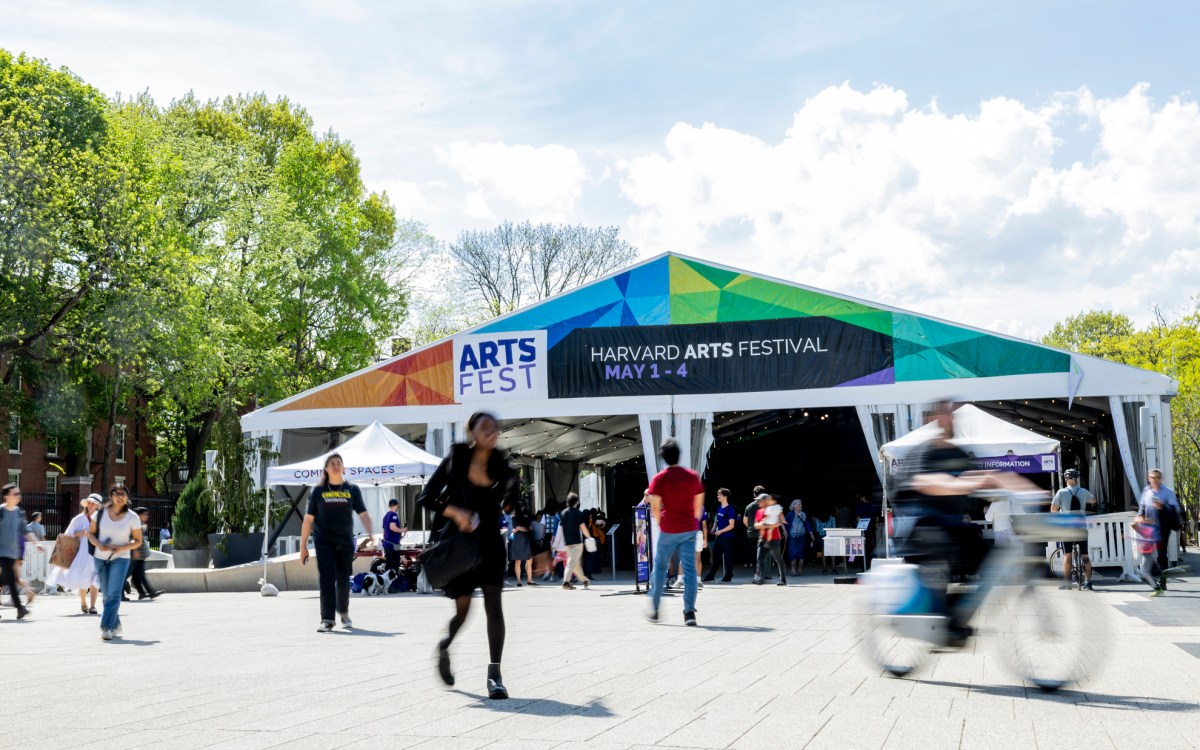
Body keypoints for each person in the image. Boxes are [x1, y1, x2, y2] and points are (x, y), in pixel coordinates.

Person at [417, 411, 518, 700]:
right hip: (461, 545)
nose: (492, 431)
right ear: (472, 431)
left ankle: (495, 675)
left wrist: (510, 504)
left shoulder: (501, 464)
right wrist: (455, 512)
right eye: (485, 427)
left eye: (495, 427)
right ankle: (445, 646)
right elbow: (425, 497)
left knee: (494, 606)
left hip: (490, 544)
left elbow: (512, 499)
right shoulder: (457, 459)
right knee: (463, 612)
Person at [298, 453, 374, 633]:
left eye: (339, 463)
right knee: (326, 579)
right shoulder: (318, 491)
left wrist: (371, 534)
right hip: (324, 541)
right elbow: (308, 520)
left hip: (345, 542)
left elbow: (363, 514)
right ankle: (327, 619)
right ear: (326, 469)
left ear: (343, 468)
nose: (336, 466)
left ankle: (344, 612)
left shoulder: (352, 490)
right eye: (332, 464)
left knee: (342, 580)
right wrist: (302, 547)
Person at [645, 439, 704, 626]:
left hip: (668, 528)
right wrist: (693, 522)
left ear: (663, 458)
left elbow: (654, 507)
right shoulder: (692, 476)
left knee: (660, 567)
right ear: (680, 454)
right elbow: (698, 505)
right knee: (689, 570)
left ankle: (655, 607)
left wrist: (663, 524)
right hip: (688, 529)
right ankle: (689, 613)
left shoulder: (659, 479)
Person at [87, 485, 144, 640]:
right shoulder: (100, 514)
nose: (119, 496)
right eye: (116, 493)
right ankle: (116, 624)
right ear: (110, 496)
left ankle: (106, 627)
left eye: (123, 494)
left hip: (121, 558)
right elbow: (90, 534)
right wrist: (99, 545)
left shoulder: (133, 517)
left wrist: (123, 547)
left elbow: (138, 540)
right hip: (100, 558)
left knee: (113, 593)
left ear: (127, 497)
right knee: (106, 595)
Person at [47, 495, 100, 614]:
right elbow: (68, 535)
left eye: (93, 503)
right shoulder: (78, 519)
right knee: (82, 577)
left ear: (98, 506)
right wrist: (80, 533)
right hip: (81, 552)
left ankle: (93, 606)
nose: (91, 505)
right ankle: (83, 602)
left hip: (97, 552)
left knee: (95, 579)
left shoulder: (101, 519)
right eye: (89, 503)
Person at [1050, 468, 1095, 589]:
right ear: (1076, 479)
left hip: (1067, 529)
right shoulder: (1083, 491)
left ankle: (1067, 583)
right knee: (1085, 555)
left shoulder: (1061, 492)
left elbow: (1053, 509)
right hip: (1081, 528)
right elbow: (1093, 500)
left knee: (1067, 555)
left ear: (1066, 479)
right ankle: (1088, 581)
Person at [1139, 468, 1182, 589]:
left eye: (1158, 477)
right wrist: (1139, 515)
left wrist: (1162, 506)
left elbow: (1176, 509)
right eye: (1153, 477)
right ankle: (1156, 571)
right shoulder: (1146, 491)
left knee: (1162, 554)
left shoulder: (1168, 492)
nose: (1155, 480)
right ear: (1149, 478)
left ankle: (1163, 581)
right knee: (1146, 552)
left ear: (1161, 478)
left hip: (1163, 526)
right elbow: (1142, 505)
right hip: (1148, 525)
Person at [0, 483, 33, 620]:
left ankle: (20, 609)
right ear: (7, 497)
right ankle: (20, 608)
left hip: (12, 552)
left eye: (19, 493)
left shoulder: (19, 511)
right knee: (12, 580)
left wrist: (36, 543)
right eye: (15, 494)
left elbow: (24, 530)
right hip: (1, 552)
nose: (18, 496)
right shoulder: (1, 511)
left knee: (7, 580)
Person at [127, 507, 162, 601]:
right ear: (139, 515)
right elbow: (131, 538)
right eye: (145, 514)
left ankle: (144, 593)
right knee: (128, 575)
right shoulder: (135, 525)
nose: (147, 516)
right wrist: (135, 550)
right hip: (136, 554)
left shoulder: (142, 525)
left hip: (140, 555)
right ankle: (149, 592)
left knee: (137, 575)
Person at [704, 488, 737, 582]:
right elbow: (717, 520)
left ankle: (728, 576)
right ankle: (711, 575)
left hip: (727, 538)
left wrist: (721, 531)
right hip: (719, 537)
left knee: (728, 557)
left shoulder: (730, 509)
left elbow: (732, 525)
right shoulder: (719, 508)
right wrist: (714, 528)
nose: (717, 496)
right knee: (715, 557)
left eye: (719, 495)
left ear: (725, 496)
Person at [560, 493, 592, 590]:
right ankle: (566, 582)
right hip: (577, 542)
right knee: (572, 562)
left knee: (575, 563)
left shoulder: (563, 513)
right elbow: (582, 527)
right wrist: (589, 537)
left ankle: (584, 580)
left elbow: (561, 528)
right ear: (576, 502)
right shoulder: (578, 513)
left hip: (568, 543)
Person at [754, 494, 787, 586]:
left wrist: (767, 525)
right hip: (763, 539)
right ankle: (762, 577)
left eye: (759, 500)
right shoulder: (759, 511)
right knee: (760, 558)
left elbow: (780, 522)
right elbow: (756, 525)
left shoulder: (773, 509)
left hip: (775, 538)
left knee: (778, 559)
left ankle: (783, 580)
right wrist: (768, 525)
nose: (758, 502)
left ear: (765, 501)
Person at [1130, 514, 1164, 597]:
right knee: (1147, 571)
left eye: (1135, 528)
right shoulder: (1143, 528)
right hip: (1148, 552)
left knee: (1145, 572)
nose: (1136, 531)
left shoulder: (1147, 529)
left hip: (1149, 552)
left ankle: (1157, 588)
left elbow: (1151, 539)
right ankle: (1157, 582)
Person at [784, 499, 812, 577]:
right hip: (792, 536)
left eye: (801, 504)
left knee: (801, 553)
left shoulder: (803, 514)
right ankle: (793, 570)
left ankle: (800, 570)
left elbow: (807, 524)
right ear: (794, 506)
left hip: (801, 536)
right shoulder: (790, 515)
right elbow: (784, 523)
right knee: (793, 553)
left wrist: (811, 533)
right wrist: (785, 532)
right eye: (799, 504)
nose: (800, 506)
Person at [510, 504, 535, 586]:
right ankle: (519, 581)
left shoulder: (526, 517)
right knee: (518, 561)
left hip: (525, 540)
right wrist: (524, 529)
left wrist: (519, 529)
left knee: (529, 561)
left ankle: (530, 580)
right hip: (518, 540)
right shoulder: (514, 517)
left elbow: (530, 528)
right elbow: (518, 527)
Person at [743, 485, 765, 573]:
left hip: (751, 534)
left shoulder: (749, 506)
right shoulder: (764, 506)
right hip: (762, 533)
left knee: (754, 554)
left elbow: (745, 520)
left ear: (754, 494)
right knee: (762, 554)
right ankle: (763, 572)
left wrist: (750, 527)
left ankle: (756, 572)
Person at [381, 499, 407, 572]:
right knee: (394, 566)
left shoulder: (385, 516)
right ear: (397, 505)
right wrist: (403, 530)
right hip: (393, 546)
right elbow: (392, 527)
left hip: (387, 544)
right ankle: (394, 582)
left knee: (389, 565)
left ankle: (386, 582)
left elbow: (384, 531)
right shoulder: (393, 515)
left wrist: (399, 535)